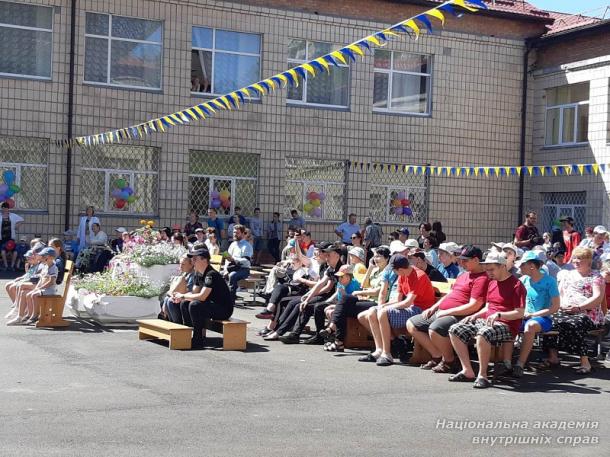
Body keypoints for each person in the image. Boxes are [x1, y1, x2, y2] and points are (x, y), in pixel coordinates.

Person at [447, 251, 525, 389]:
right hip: (489, 321)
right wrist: (475, 315)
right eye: (487, 269)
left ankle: (482, 375)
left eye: (491, 269)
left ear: (502, 266)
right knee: (455, 329)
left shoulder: (517, 285)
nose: (488, 272)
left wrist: (500, 315)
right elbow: (488, 307)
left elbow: (520, 313)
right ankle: (468, 371)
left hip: (506, 325)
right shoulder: (492, 283)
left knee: (483, 333)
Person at [407, 245, 489, 373]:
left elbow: (474, 306)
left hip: (461, 315)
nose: (461, 263)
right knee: (412, 323)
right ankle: (437, 356)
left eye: (465, 260)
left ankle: (449, 361)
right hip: (443, 312)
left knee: (435, 328)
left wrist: (446, 312)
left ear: (477, 260)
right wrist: (434, 308)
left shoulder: (482, 279)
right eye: (461, 259)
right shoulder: (463, 275)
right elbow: (451, 294)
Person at [360, 254, 436, 366]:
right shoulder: (402, 275)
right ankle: (379, 350)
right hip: (409, 308)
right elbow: (398, 299)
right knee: (372, 311)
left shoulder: (419, 276)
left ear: (400, 269)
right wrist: (383, 305)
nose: (393, 273)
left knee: (383, 312)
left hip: (421, 311)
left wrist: (385, 308)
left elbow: (408, 302)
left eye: (394, 270)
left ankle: (387, 354)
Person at [542, 247, 605, 374]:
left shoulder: (596, 277)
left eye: (580, 258)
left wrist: (579, 308)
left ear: (588, 261)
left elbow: (597, 298)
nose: (576, 261)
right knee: (548, 320)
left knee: (575, 323)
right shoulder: (567, 275)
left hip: (588, 313)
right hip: (566, 309)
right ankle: (553, 356)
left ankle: (585, 362)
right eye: (575, 258)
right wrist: (561, 305)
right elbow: (558, 294)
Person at [321, 246, 391, 352]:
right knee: (344, 304)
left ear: (387, 259)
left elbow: (378, 291)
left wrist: (360, 292)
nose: (375, 258)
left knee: (344, 303)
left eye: (379, 256)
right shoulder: (375, 270)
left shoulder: (387, 273)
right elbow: (363, 284)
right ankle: (338, 341)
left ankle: (334, 334)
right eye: (375, 256)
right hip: (367, 299)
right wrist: (371, 269)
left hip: (377, 302)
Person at [276, 243, 343, 344]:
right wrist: (307, 299)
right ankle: (294, 335)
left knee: (318, 307)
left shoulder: (341, 269)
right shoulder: (330, 269)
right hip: (330, 296)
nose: (326, 256)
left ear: (337, 256)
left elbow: (336, 290)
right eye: (326, 254)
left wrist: (325, 300)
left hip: (337, 298)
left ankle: (320, 337)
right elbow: (320, 284)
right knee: (305, 305)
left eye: (329, 255)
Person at [170, 249, 234, 348]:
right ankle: (187, 335)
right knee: (185, 303)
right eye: (192, 259)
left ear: (204, 260)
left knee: (195, 305)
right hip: (211, 306)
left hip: (223, 309)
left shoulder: (211, 274)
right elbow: (194, 293)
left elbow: (202, 297)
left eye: (195, 259)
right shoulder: (198, 273)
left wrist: (183, 296)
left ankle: (197, 339)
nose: (192, 261)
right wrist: (182, 297)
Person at [512, 251, 560, 377]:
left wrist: (533, 315)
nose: (519, 268)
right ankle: (504, 361)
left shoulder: (550, 282)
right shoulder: (523, 280)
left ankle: (519, 364)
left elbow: (555, 307)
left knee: (530, 326)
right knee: (506, 322)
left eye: (522, 265)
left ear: (532, 266)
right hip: (523, 316)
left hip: (543, 318)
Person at [8, 247, 59, 325]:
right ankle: (24, 315)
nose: (41, 258)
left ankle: (34, 316)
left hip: (49, 289)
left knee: (33, 295)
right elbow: (41, 280)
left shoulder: (53, 268)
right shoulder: (45, 267)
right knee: (25, 293)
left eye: (44, 256)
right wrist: (37, 287)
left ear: (51, 258)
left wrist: (39, 288)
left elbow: (51, 282)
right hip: (43, 288)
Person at [224, 225, 253, 301]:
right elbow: (227, 259)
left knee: (232, 276)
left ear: (243, 233)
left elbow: (246, 261)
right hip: (232, 267)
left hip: (243, 269)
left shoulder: (247, 246)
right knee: (217, 275)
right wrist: (225, 270)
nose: (235, 234)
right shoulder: (233, 244)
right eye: (234, 232)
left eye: (237, 233)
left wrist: (234, 259)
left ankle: (231, 299)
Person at [163, 254, 195, 321]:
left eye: (183, 264)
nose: (180, 266)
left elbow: (189, 292)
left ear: (191, 265)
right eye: (180, 264)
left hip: (187, 300)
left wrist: (177, 296)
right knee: (167, 299)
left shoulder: (193, 276)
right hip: (181, 297)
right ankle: (171, 324)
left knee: (171, 301)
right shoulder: (185, 273)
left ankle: (177, 325)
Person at [1, 202, 24, 271]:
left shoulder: (13, 215)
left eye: (6, 208)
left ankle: (12, 266)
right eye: (3, 208)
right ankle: (6, 266)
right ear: (2, 208)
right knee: (3, 251)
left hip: (11, 239)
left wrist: (16, 226)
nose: (5, 209)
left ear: (8, 208)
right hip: (2, 239)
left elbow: (21, 220)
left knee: (16, 251)